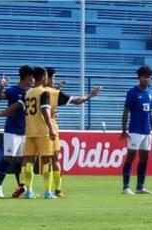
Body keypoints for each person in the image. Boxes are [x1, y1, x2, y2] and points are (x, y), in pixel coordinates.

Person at [45, 67, 102, 198]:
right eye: (52, 78)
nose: (53, 80)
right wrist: (90, 94)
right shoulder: (53, 93)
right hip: (50, 129)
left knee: (31, 160)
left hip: (32, 129)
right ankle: (56, 190)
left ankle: (30, 188)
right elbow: (77, 101)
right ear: (46, 78)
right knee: (53, 159)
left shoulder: (32, 92)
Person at [12, 67, 56, 199]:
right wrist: (51, 127)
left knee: (29, 162)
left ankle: (29, 191)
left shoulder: (28, 93)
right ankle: (48, 192)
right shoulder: (44, 92)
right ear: (43, 77)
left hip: (29, 131)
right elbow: (45, 110)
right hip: (42, 131)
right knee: (47, 161)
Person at [0, 65, 34, 198]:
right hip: (12, 130)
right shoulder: (13, 90)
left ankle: (22, 188)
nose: (33, 79)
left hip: (23, 131)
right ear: (27, 77)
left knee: (20, 160)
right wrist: (1, 87)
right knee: (8, 158)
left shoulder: (31, 92)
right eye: (32, 77)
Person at [120, 66, 152, 195]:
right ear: (139, 77)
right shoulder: (132, 93)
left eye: (149, 77)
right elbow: (126, 112)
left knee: (144, 159)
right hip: (135, 130)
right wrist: (124, 129)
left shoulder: (151, 93)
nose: (147, 79)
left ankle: (140, 187)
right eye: (145, 76)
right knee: (130, 157)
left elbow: (150, 112)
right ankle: (126, 187)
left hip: (147, 131)